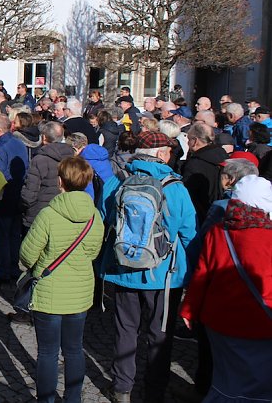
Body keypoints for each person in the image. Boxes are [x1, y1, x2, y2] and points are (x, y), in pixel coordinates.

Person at [100, 130, 198, 403]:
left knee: (125, 330)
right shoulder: (175, 187)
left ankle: (121, 387)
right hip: (164, 276)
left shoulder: (116, 182)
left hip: (123, 270)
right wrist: (188, 274)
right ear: (162, 155)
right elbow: (190, 234)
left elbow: (103, 221)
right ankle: (155, 390)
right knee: (160, 336)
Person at [179, 175, 272, 403]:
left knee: (225, 379)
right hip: (262, 321)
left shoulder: (219, 231)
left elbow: (203, 273)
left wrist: (189, 309)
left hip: (219, 320)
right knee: (260, 383)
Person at [20, 156, 104, 403]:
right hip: (80, 292)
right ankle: (73, 398)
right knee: (74, 349)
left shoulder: (48, 215)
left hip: (49, 291)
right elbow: (93, 253)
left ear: (60, 182)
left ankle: (45, 399)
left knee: (47, 352)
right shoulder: (94, 216)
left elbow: (27, 254)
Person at [0, 115, 29, 282]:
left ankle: (3, 270)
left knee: (2, 236)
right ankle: (13, 267)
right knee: (13, 234)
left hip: (4, 197)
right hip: (18, 194)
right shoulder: (19, 143)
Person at [21, 121, 75, 229]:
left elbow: (29, 193)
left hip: (39, 215)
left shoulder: (40, 160)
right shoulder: (72, 157)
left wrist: (24, 207)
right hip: (64, 211)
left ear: (44, 138)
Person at [182, 123, 228, 224]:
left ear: (195, 141)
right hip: (222, 211)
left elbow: (187, 192)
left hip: (201, 214)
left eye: (189, 139)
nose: (188, 143)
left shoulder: (195, 163)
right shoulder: (223, 155)